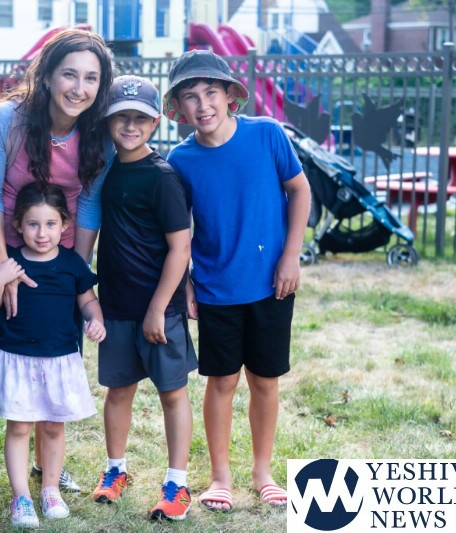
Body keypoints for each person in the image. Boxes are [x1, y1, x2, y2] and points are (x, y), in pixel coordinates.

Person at [0, 28, 115, 504]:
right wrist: (4, 267)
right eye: (69, 74)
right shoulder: (9, 119)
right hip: (10, 250)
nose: (79, 87)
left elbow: (89, 206)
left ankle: (46, 467)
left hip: (62, 259)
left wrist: (73, 273)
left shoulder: (98, 134)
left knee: (54, 359)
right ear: (48, 76)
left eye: (91, 78)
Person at [162, 50, 311, 512]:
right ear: (179, 108)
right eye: (190, 96)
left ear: (230, 95)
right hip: (215, 288)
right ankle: (220, 476)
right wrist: (186, 283)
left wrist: (291, 256)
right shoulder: (180, 160)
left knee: (265, 379)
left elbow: (300, 190)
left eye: (211, 92)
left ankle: (263, 471)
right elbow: (178, 229)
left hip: (272, 284)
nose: (203, 104)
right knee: (222, 381)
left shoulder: (267, 134)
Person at [90, 75, 197, 521]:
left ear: (155, 123)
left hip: (160, 310)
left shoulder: (162, 177)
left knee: (172, 393)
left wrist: (158, 308)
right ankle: (116, 471)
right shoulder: (106, 172)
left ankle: (177, 483)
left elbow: (180, 248)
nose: (130, 126)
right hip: (116, 306)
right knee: (118, 391)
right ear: (107, 122)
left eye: (140, 118)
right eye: (121, 118)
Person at [0, 182, 105, 527]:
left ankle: (50, 488)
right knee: (19, 427)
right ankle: (20, 496)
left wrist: (96, 320)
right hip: (17, 357)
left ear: (65, 224)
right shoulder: (12, 261)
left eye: (50, 224)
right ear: (18, 224)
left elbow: (87, 300)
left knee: (52, 425)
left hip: (59, 359)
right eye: (33, 224)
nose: (41, 233)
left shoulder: (72, 264)